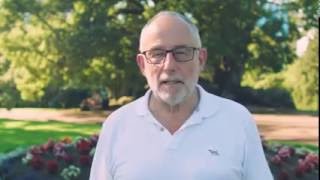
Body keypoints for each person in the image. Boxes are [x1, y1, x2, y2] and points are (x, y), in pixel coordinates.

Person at [90, 11, 273, 180]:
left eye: (182, 52)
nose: (169, 66)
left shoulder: (237, 120)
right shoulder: (117, 125)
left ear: (201, 59)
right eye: (157, 54)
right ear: (142, 64)